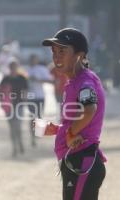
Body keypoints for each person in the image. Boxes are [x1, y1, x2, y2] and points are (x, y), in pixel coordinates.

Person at [40, 28, 106, 200]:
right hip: (77, 160)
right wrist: (58, 129)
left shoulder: (85, 81)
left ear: (79, 55)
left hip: (82, 161)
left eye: (62, 50)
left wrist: (70, 133)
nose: (56, 56)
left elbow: (89, 110)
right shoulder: (74, 81)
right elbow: (81, 118)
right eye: (54, 51)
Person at [0, 59, 28, 156]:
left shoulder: (22, 78)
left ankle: (19, 142)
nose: (13, 69)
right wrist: (2, 103)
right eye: (12, 67)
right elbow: (0, 91)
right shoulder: (6, 79)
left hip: (19, 104)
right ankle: (14, 147)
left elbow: (26, 90)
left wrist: (24, 101)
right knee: (12, 127)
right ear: (9, 68)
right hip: (8, 106)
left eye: (14, 67)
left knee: (18, 127)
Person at [27, 54, 53, 147]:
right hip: (30, 97)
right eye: (31, 60)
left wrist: (38, 80)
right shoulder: (26, 70)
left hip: (40, 96)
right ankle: (32, 136)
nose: (33, 61)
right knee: (32, 116)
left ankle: (38, 134)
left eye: (35, 59)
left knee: (39, 115)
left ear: (37, 60)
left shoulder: (42, 69)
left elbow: (50, 81)